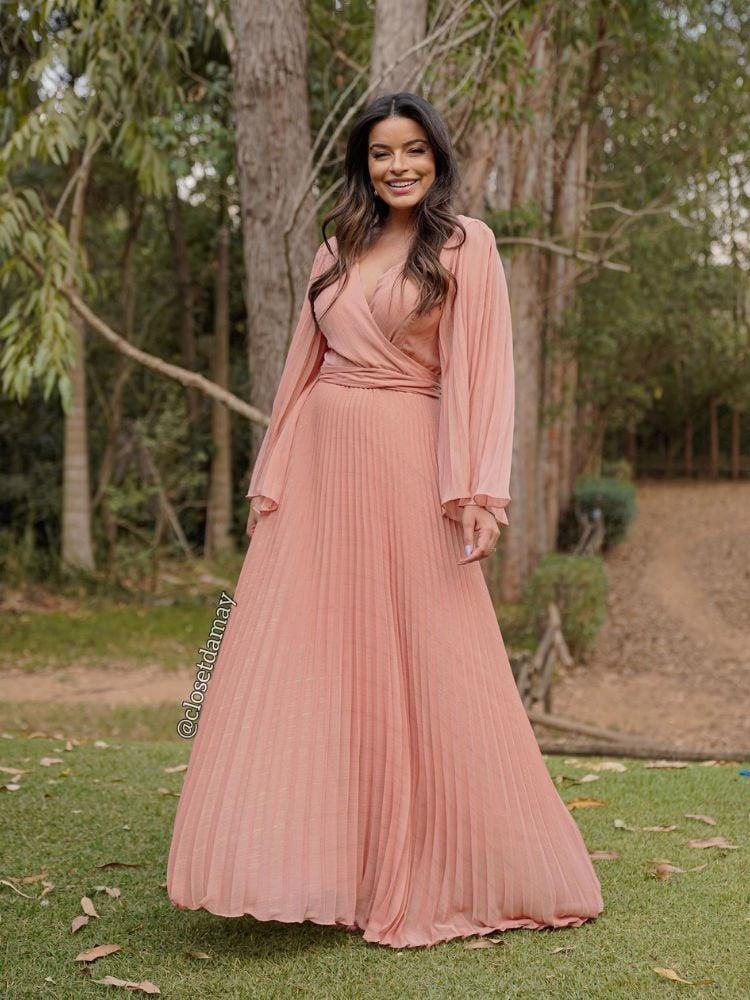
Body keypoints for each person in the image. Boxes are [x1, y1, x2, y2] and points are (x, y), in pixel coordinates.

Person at [166, 91, 604, 950]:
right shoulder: (337, 249)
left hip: (409, 461)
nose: (397, 166)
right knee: (307, 654)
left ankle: (450, 859)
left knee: (428, 651)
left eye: (412, 151)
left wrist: (480, 489)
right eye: (380, 154)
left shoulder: (465, 245)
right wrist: (273, 473)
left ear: (437, 158)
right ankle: (309, 861)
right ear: (361, 165)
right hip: (321, 471)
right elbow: (302, 366)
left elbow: (483, 372)